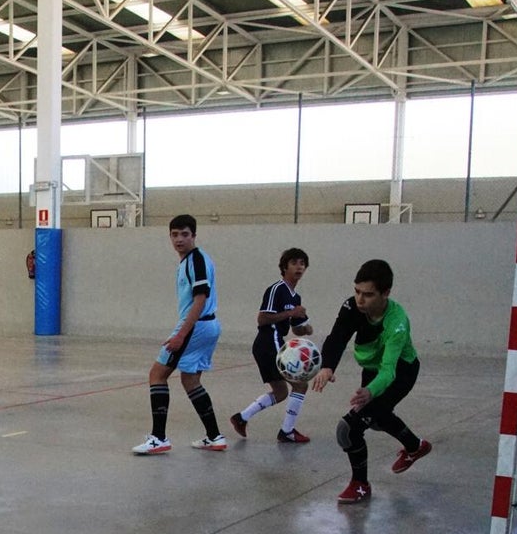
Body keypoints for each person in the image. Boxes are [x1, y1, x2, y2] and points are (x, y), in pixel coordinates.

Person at [311, 259, 432, 503]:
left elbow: (388, 371)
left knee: (349, 429)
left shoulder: (396, 323)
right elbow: (337, 337)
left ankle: (360, 485)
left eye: (368, 294)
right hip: (371, 368)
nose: (360, 299)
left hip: (400, 372)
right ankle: (415, 446)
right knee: (377, 417)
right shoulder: (352, 307)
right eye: (357, 291)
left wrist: (370, 391)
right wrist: (327, 367)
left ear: (385, 293)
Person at [132, 214, 227, 455]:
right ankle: (215, 436)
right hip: (207, 326)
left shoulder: (196, 261)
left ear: (194, 236)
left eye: (185, 234)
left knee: (157, 374)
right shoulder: (188, 261)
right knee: (190, 380)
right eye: (174, 234)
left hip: (196, 325)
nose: (179, 239)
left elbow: (200, 298)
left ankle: (159, 438)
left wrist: (180, 335)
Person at [229, 248, 314, 443]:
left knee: (281, 392)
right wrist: (291, 313)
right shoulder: (277, 289)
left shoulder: (295, 297)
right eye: (294, 263)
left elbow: (296, 328)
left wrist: (305, 328)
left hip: (275, 342)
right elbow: (262, 319)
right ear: (284, 267)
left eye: (302, 263)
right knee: (300, 384)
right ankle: (287, 432)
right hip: (269, 341)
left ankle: (241, 418)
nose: (299, 267)